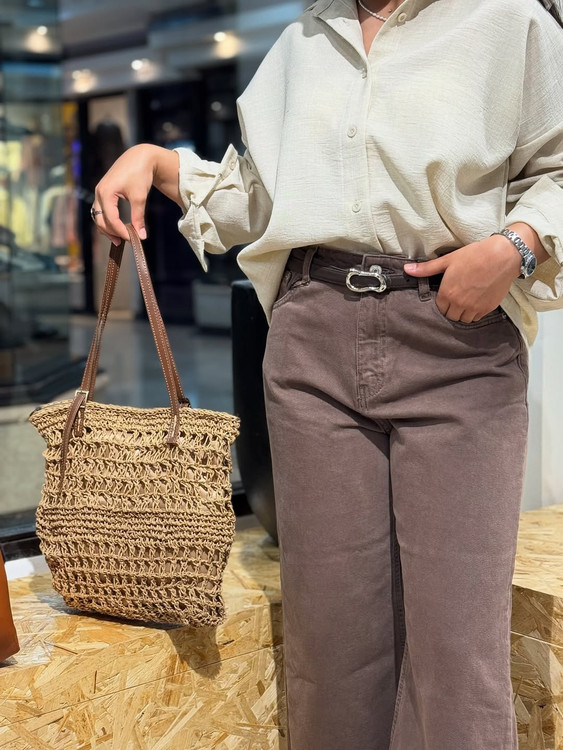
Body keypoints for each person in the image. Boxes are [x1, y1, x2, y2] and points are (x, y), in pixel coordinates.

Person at [92, 1, 563, 747]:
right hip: (313, 339)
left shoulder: (507, 21)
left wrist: (518, 244)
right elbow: (263, 197)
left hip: (457, 338)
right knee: (332, 642)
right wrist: (157, 160)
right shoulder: (299, 44)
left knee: (457, 649)